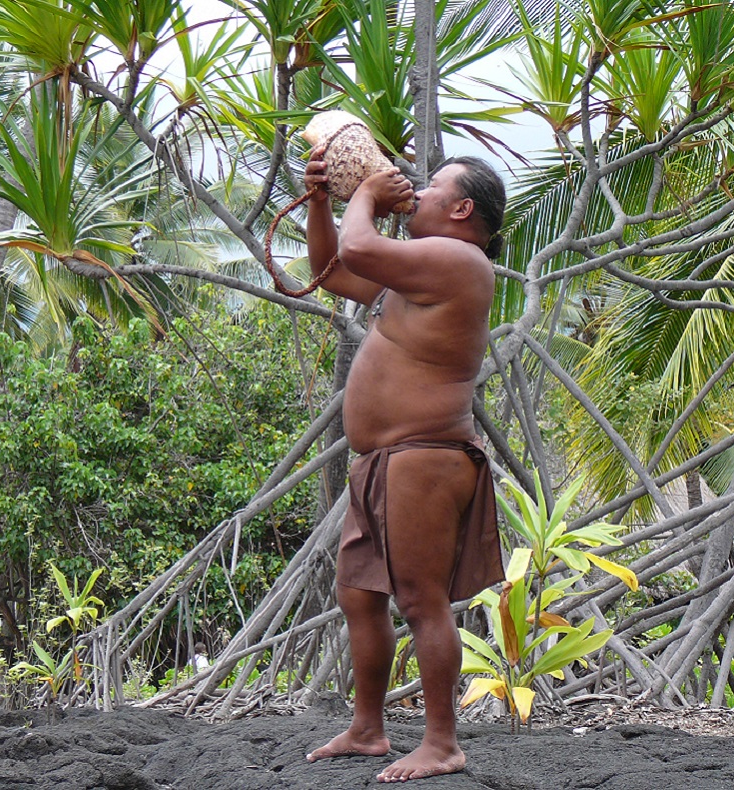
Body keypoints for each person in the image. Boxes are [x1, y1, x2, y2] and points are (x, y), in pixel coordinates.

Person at [303, 151, 506, 783]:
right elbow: (334, 268)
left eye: (432, 187)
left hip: (425, 456)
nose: (416, 194)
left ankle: (442, 742)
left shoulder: (459, 260)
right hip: (386, 461)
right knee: (360, 596)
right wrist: (319, 203)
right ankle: (368, 729)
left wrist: (362, 193)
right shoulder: (417, 270)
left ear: (462, 208)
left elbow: (360, 248)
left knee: (420, 600)